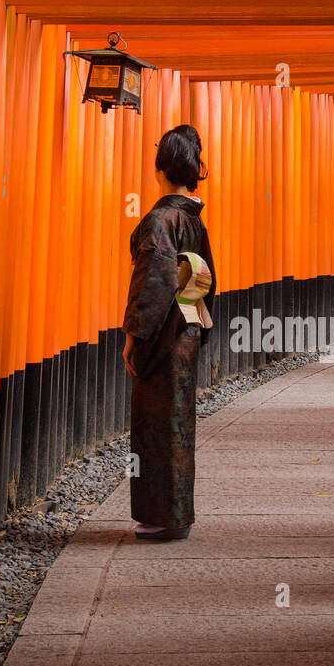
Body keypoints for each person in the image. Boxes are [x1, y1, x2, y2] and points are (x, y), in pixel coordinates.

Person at [122, 125, 217, 540]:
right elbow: (207, 279)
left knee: (156, 423)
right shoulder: (194, 220)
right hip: (187, 329)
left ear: (161, 166)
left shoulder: (161, 218)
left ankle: (163, 515)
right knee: (178, 425)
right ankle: (177, 512)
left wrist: (134, 336)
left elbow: (153, 282)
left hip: (162, 334)